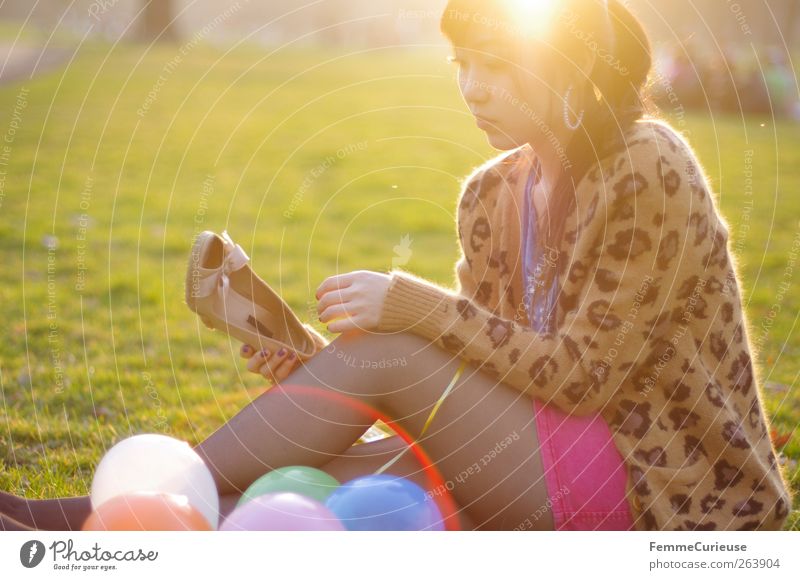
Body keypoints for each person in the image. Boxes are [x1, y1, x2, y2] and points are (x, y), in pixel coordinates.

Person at [1, 0, 791, 532]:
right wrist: (313, 369)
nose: (473, 89)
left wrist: (410, 315)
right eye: (460, 63)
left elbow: (581, 378)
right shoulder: (491, 195)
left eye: (498, 65)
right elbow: (480, 377)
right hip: (545, 457)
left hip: (661, 490)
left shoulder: (646, 166)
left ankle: (74, 519)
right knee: (322, 458)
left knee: (387, 349)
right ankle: (128, 524)